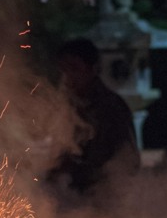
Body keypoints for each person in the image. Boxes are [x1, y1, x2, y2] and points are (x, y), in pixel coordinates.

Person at [47, 37, 140, 203]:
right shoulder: (69, 105)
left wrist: (70, 169)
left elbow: (120, 160)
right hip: (73, 198)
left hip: (104, 198)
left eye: (75, 68)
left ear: (93, 69)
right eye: (63, 70)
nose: (68, 76)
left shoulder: (110, 107)